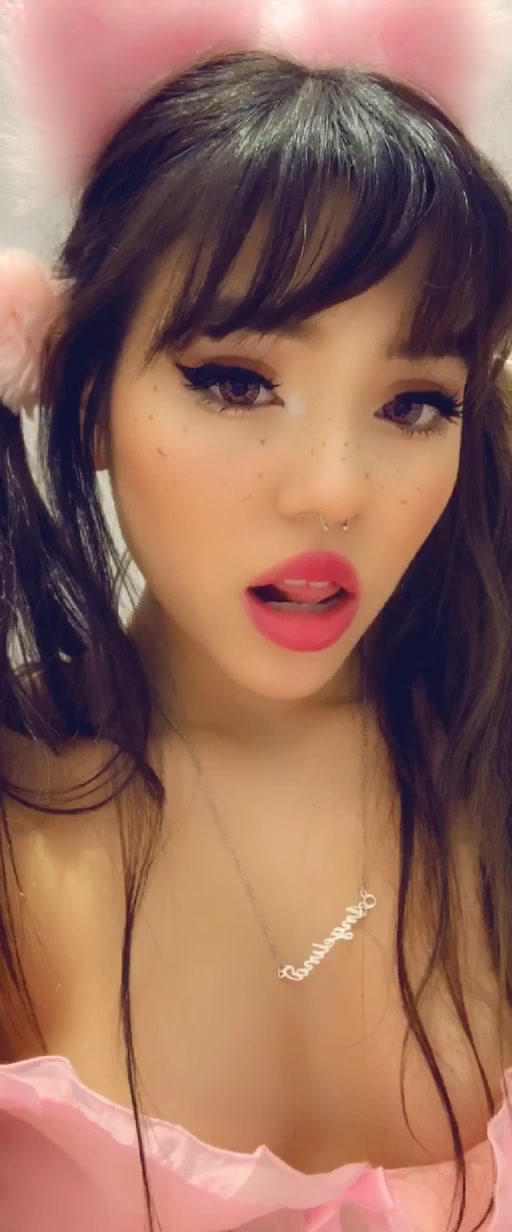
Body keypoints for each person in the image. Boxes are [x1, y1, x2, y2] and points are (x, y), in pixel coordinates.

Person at [1, 0, 512, 1229]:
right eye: (235, 381)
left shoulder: (487, 760)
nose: (332, 489)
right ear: (85, 394)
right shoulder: (19, 818)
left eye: (414, 403)